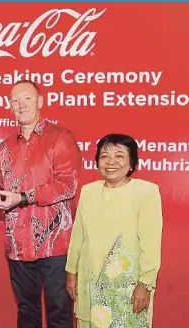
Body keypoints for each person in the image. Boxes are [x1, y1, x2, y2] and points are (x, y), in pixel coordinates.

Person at [0, 80, 82, 328]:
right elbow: (2, 190)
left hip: (55, 245)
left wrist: (23, 197)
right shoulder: (5, 147)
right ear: (10, 106)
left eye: (27, 98)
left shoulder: (61, 138)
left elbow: (67, 185)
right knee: (26, 313)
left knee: (59, 312)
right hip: (18, 244)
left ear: (40, 101)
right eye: (15, 100)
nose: (21, 105)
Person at [65, 134, 163, 328]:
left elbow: (150, 243)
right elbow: (78, 235)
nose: (111, 162)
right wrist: (71, 272)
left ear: (131, 162)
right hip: (89, 282)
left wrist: (145, 284)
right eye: (104, 156)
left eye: (119, 156)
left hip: (127, 287)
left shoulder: (146, 192)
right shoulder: (88, 191)